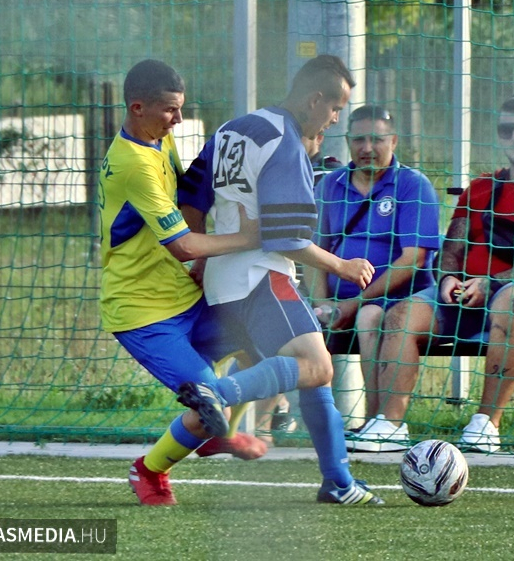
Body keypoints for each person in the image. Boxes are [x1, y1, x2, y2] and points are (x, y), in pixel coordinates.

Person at [177, 54, 384, 505]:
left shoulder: (235, 128)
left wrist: (197, 252)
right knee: (318, 366)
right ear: (315, 100)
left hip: (222, 281)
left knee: (314, 373)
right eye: (335, 109)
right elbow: (285, 239)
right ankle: (220, 394)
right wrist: (342, 267)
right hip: (261, 276)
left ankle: (338, 482)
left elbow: (191, 193)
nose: (335, 119)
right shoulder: (286, 143)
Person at [348, 95, 514, 453]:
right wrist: (447, 280)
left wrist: (493, 282)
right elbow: (452, 250)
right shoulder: (480, 188)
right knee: (401, 314)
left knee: (512, 300)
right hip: (465, 296)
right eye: (507, 130)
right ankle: (390, 424)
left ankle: (486, 423)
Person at [98, 59, 266, 507]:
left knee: (265, 342)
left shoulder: (158, 139)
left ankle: (214, 433)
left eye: (181, 108)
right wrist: (248, 237)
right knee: (210, 401)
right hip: (142, 313)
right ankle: (149, 471)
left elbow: (191, 193)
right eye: (171, 110)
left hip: (182, 297)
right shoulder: (134, 163)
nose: (179, 120)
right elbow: (184, 247)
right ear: (138, 107)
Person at [307, 104, 440, 426]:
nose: (367, 148)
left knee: (370, 317)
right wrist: (322, 302)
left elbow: (414, 260)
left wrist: (353, 304)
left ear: (393, 141)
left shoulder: (413, 185)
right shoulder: (330, 185)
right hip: (336, 300)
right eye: (359, 140)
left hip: (397, 298)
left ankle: (377, 420)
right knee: (278, 320)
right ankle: (265, 422)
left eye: (377, 140)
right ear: (349, 141)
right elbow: (312, 253)